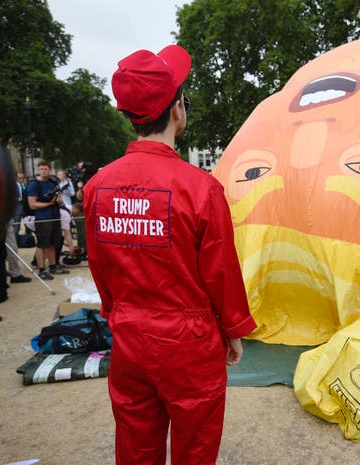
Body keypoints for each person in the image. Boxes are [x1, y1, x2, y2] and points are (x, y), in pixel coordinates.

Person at [83, 44, 256, 465]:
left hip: (130, 335)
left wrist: (117, 311)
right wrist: (233, 330)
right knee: (195, 446)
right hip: (189, 344)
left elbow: (100, 266)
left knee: (136, 444)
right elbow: (221, 272)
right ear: (177, 109)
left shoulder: (97, 187)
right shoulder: (200, 188)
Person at [27, 161, 69, 280]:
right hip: (42, 218)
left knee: (52, 243)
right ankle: (41, 270)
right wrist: (50, 203)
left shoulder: (52, 182)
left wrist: (58, 200)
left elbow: (59, 200)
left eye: (45, 169)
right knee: (41, 244)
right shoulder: (34, 184)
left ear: (50, 170)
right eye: (41, 169)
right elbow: (32, 204)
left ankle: (53, 266)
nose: (43, 171)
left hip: (55, 216)